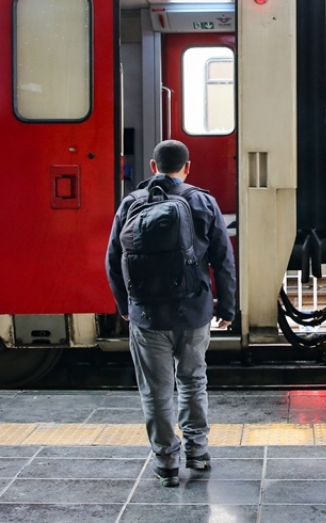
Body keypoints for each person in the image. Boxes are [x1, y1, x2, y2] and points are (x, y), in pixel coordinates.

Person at [105, 140, 236, 487]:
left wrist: (125, 307)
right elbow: (223, 259)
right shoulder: (202, 201)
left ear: (153, 166)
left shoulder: (132, 203)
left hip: (147, 316)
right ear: (187, 167)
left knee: (156, 391)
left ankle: (166, 464)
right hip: (193, 312)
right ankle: (198, 452)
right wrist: (226, 307)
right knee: (192, 381)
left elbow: (113, 260)